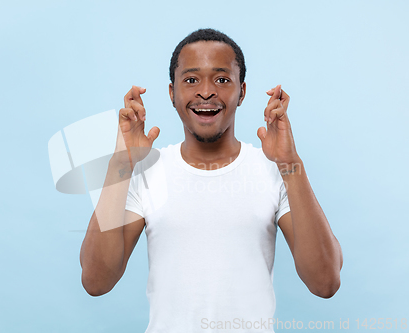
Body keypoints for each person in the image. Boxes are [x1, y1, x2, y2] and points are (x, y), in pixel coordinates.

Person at [79, 28, 343, 332]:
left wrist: (289, 164)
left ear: (241, 92)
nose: (206, 91)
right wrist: (120, 166)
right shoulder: (146, 171)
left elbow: (325, 282)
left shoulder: (274, 169)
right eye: (191, 80)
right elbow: (96, 281)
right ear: (172, 93)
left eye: (222, 79)